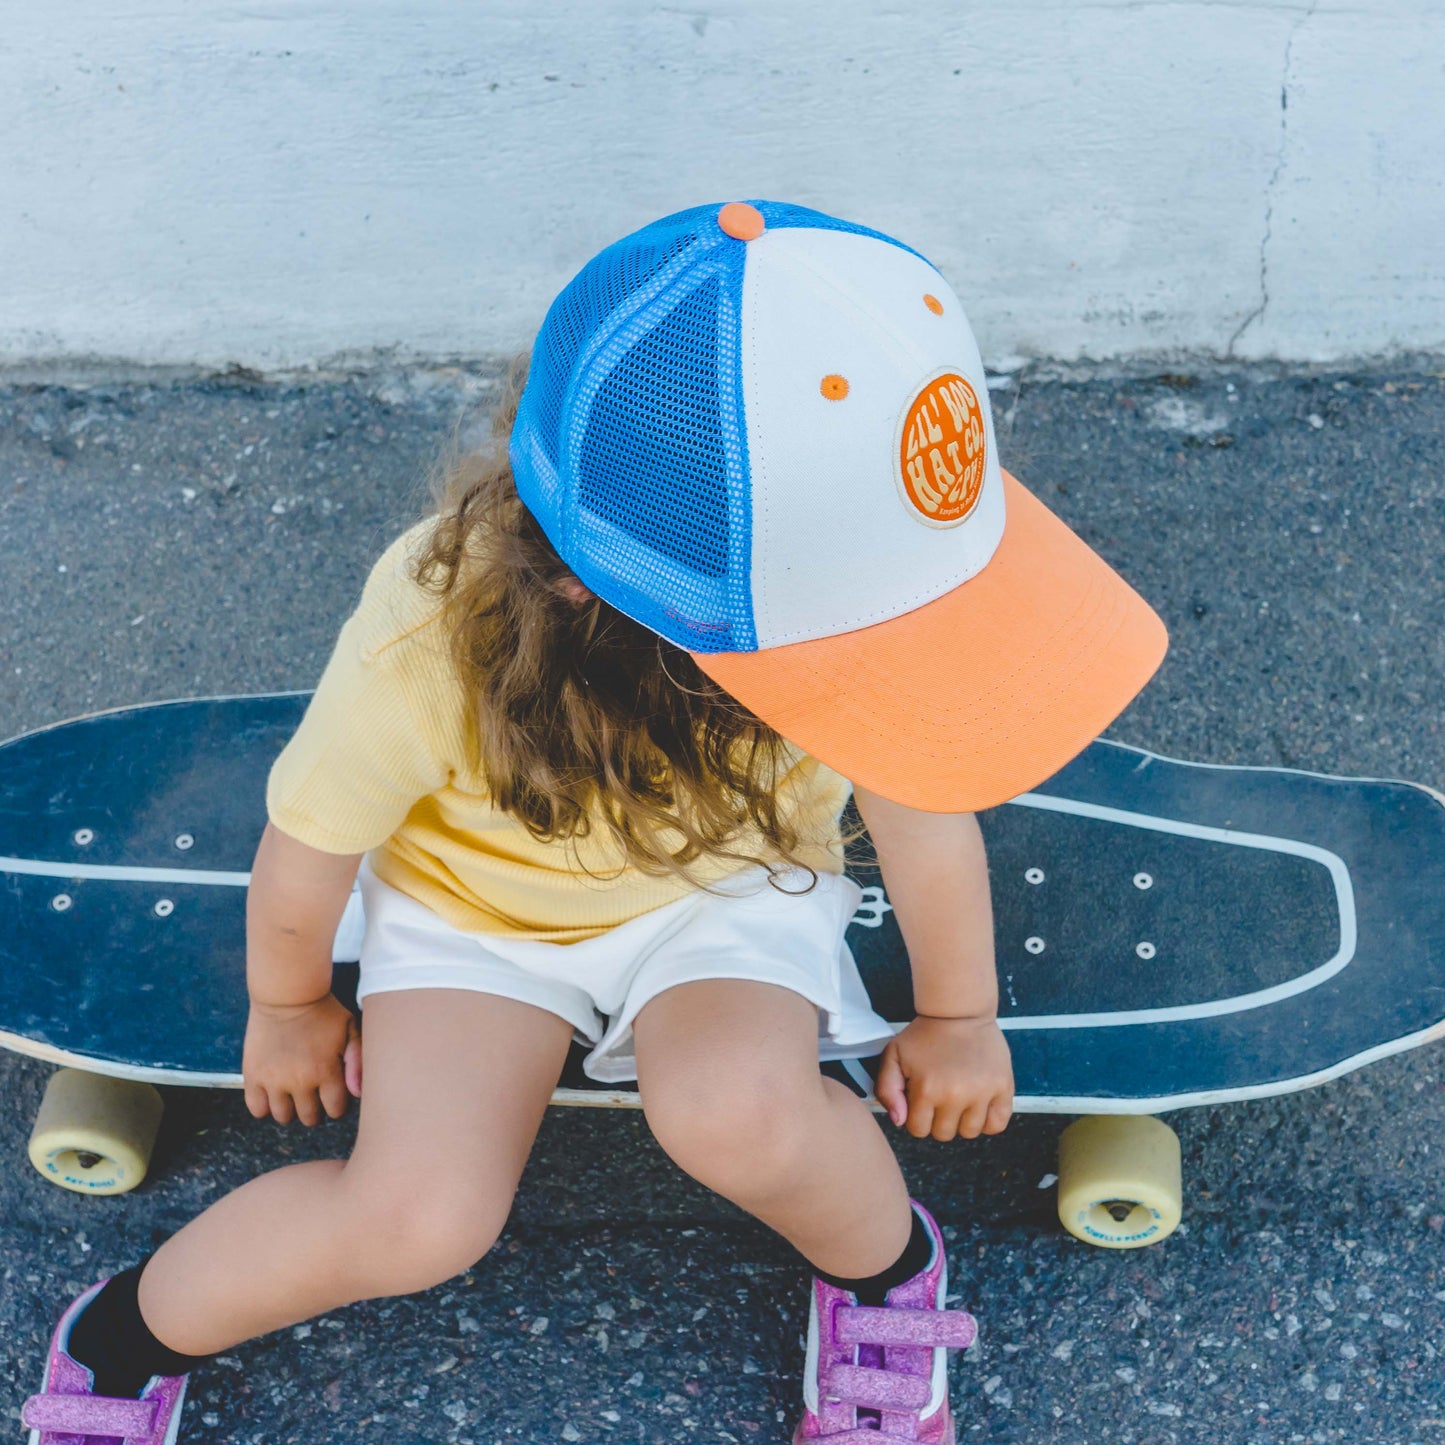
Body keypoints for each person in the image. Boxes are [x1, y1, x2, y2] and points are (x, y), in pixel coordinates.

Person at [22, 200, 1167, 1444]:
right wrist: (290, 1002)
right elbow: (311, 844)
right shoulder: (429, 637)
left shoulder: (853, 570)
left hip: (727, 894)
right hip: (476, 914)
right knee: (416, 1218)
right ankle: (120, 1336)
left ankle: (885, 1270)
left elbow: (924, 813)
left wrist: (959, 1018)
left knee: (741, 1112)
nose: (888, 655)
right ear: (590, 587)